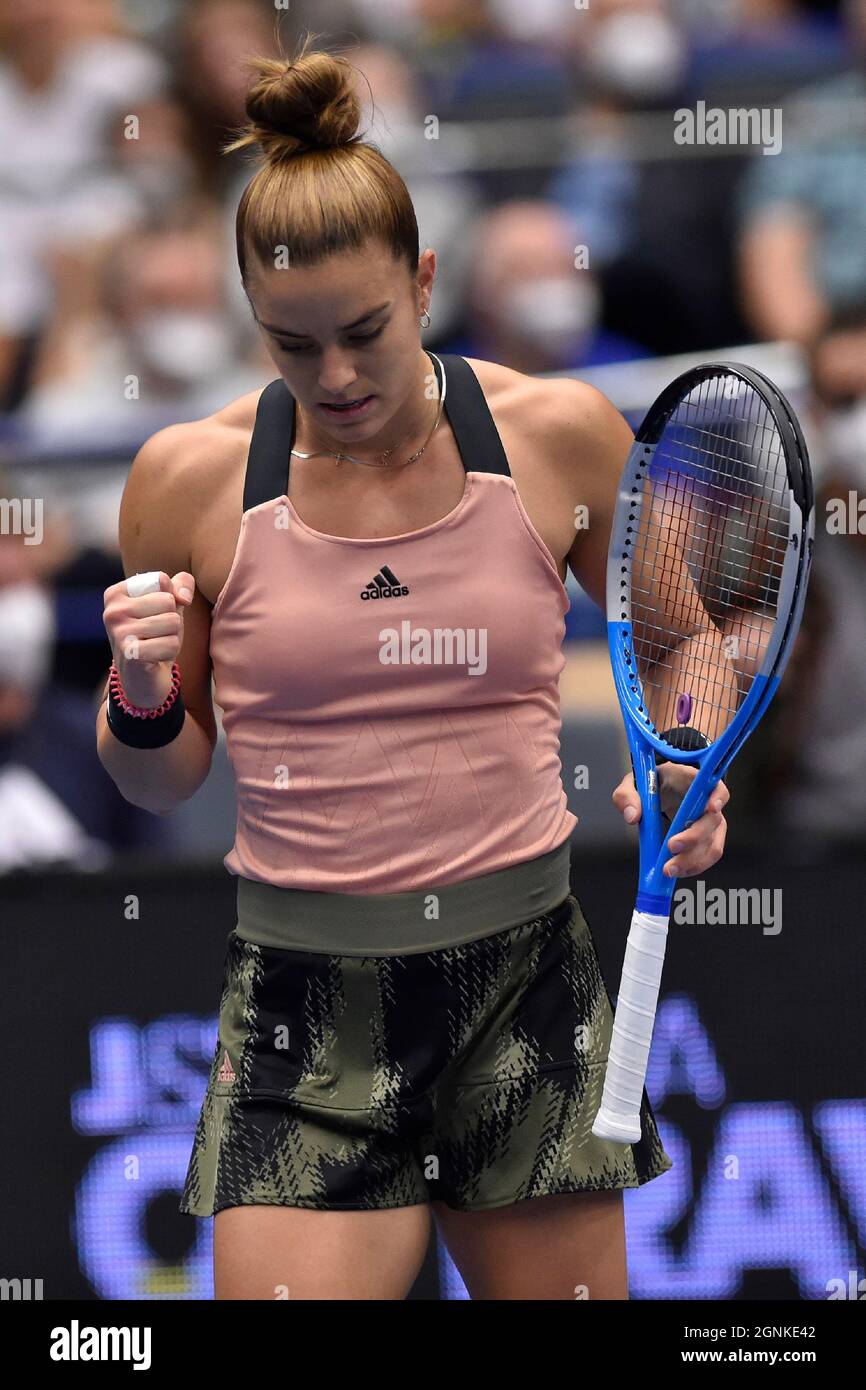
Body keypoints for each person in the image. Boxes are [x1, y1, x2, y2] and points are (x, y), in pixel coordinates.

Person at [96, 34, 730, 1301]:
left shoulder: (554, 434)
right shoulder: (185, 482)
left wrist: (687, 758)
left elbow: (690, 644)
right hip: (298, 1007)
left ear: (425, 280)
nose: (333, 377)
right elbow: (159, 781)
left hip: (523, 989)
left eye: (364, 333)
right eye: (291, 344)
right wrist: (142, 689)